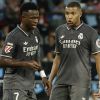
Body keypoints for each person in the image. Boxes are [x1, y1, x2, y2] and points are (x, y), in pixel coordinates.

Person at [48, 2, 100, 100]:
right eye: (67, 13)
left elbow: (98, 58)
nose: (69, 16)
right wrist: (50, 80)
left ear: (80, 13)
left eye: (73, 13)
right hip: (60, 81)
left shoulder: (91, 32)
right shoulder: (59, 30)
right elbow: (57, 58)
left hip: (80, 82)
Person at [0, 2, 49, 100]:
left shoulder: (36, 32)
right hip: (14, 85)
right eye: (32, 18)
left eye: (37, 17)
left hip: (30, 85)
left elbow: (35, 56)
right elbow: (2, 60)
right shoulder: (13, 36)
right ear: (23, 17)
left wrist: (43, 75)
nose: (36, 20)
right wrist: (25, 63)